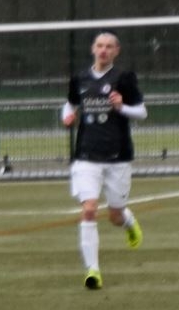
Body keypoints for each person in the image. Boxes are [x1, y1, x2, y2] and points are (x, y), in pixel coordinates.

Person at [62, 30, 146, 290]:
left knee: (115, 215)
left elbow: (142, 112)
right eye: (100, 45)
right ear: (92, 49)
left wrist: (122, 107)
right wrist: (67, 116)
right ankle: (93, 270)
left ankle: (129, 222)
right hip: (86, 155)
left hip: (118, 156)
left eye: (109, 46)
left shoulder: (124, 78)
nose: (104, 50)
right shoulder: (80, 78)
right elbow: (69, 104)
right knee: (89, 209)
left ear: (116, 51)